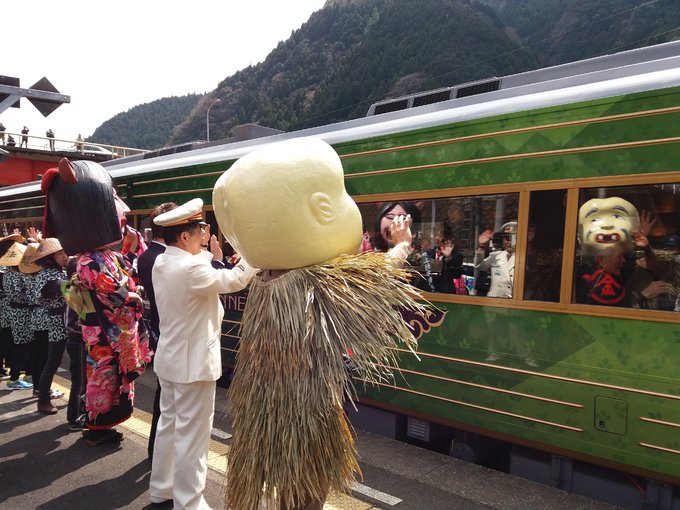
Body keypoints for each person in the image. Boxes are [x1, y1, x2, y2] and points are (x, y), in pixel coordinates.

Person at [214, 138, 425, 510]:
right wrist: (403, 243)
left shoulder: (265, 279)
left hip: (266, 406)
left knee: (287, 485)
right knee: (308, 485)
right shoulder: (312, 280)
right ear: (321, 209)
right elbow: (379, 273)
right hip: (306, 407)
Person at [148, 198, 257, 510]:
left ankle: (162, 490)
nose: (205, 235)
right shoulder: (191, 268)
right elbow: (234, 279)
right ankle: (189, 501)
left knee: (169, 427)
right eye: (200, 231)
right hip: (193, 365)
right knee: (193, 436)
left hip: (170, 360)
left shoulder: (163, 261)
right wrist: (252, 254)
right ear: (185, 236)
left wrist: (206, 250)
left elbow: (199, 265)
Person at [41, 158, 152, 446]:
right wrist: (133, 296)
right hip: (103, 333)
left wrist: (132, 246)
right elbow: (112, 291)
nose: (123, 211)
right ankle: (96, 428)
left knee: (111, 378)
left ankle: (105, 424)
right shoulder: (89, 260)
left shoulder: (105, 256)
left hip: (109, 330)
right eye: (114, 201)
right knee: (102, 378)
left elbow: (128, 268)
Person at [136, 201, 176, 461]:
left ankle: (156, 451)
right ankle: (158, 453)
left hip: (161, 330)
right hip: (171, 334)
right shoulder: (163, 259)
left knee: (165, 397)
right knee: (168, 400)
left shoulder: (146, 255)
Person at [26, 238, 69, 415]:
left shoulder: (58, 271)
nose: (64, 256)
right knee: (52, 361)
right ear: (50, 258)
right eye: (60, 254)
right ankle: (43, 399)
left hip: (64, 319)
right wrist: (70, 284)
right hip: (57, 321)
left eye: (64, 253)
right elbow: (53, 288)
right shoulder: (48, 274)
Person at [2, 240, 34, 390]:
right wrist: (33, 298)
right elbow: (19, 295)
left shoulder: (8, 273)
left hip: (15, 311)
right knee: (22, 346)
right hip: (21, 312)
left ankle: (25, 374)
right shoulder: (16, 275)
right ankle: (14, 379)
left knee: (22, 345)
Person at [64, 257, 87, 431]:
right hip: (77, 342)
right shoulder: (72, 292)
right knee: (79, 381)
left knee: (83, 379)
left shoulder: (77, 291)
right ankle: (74, 417)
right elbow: (71, 323)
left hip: (79, 342)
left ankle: (80, 412)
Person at [474, 221, 517, 298]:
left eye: (513, 238)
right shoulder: (496, 256)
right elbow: (479, 266)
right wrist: (481, 246)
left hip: (512, 300)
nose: (509, 241)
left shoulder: (523, 258)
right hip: (494, 299)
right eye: (507, 238)